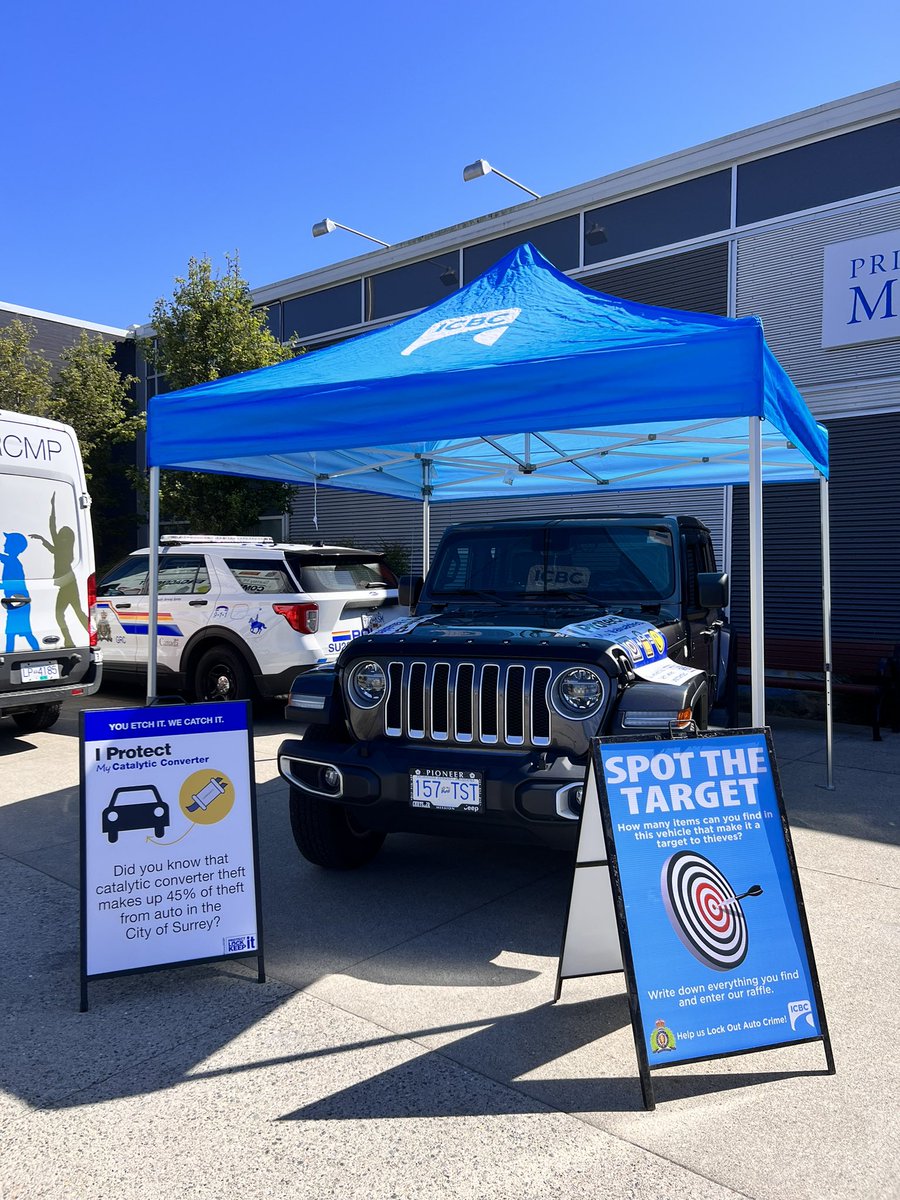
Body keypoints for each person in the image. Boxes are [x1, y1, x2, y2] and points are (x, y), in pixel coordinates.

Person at [30, 492, 88, 648]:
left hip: (66, 581)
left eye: (62, 533)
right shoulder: (65, 546)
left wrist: (53, 507)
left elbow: (52, 525)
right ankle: (83, 635)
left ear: (66, 536)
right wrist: (42, 539)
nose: (59, 534)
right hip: (69, 580)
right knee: (76, 611)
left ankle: (71, 639)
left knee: (62, 613)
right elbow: (53, 545)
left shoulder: (64, 545)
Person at [1, 531, 39, 651]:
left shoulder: (13, 562)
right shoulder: (11, 561)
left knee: (16, 633)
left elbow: (14, 584)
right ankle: (37, 652)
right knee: (14, 633)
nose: (4, 545)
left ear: (14, 547)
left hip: (18, 602)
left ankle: (37, 652)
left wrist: (3, 585)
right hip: (17, 602)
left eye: (6, 543)